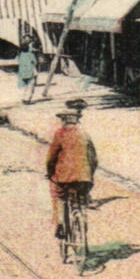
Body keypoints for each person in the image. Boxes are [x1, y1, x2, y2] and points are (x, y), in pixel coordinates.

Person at [45, 99, 97, 235]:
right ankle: (81, 215)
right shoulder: (84, 134)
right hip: (84, 178)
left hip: (65, 177)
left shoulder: (60, 134)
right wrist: (90, 173)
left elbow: (51, 156)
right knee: (81, 196)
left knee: (59, 195)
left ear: (63, 120)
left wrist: (50, 172)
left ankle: (61, 223)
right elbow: (94, 158)